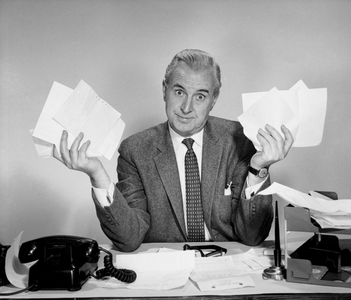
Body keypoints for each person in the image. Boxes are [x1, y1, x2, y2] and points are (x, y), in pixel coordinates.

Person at [54, 49, 293, 252]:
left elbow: (252, 236)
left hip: (226, 271)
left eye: (200, 96)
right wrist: (96, 173)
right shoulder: (135, 150)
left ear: (214, 99)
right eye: (179, 92)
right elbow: (128, 239)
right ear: (164, 89)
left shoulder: (239, 140)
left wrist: (258, 168)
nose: (187, 108)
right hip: (166, 273)